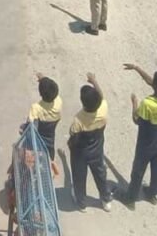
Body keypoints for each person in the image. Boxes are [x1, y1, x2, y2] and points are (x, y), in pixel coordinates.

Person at [117, 64, 157, 209]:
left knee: (138, 170)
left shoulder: (147, 104)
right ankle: (152, 193)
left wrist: (134, 103)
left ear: (155, 86)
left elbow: (137, 120)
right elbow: (153, 83)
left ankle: (130, 198)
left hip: (146, 141)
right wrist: (137, 69)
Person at [68, 73, 111, 212]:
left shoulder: (78, 119)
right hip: (97, 149)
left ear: (83, 102)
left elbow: (73, 135)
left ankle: (81, 203)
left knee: (79, 177)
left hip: (81, 153)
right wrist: (94, 81)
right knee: (100, 174)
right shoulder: (103, 109)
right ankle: (105, 199)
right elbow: (101, 95)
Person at [27, 74, 61, 161]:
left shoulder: (36, 108)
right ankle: (51, 163)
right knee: (50, 150)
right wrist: (43, 80)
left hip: (40, 134)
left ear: (40, 93)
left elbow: (29, 124)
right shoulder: (58, 101)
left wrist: (42, 80)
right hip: (51, 133)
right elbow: (52, 90)